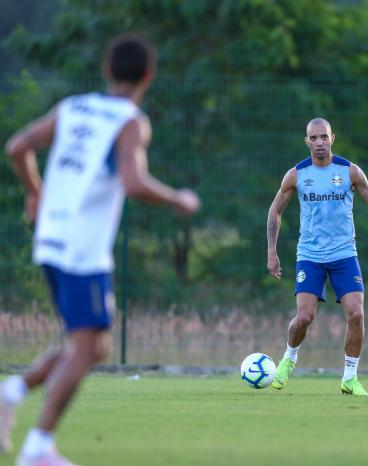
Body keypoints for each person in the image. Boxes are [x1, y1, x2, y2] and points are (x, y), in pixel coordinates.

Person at [0, 33, 201, 465]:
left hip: (49, 239)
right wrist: (177, 199)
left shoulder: (72, 107)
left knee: (88, 344)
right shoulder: (130, 120)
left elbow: (17, 147)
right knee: (90, 348)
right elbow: (133, 183)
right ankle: (37, 449)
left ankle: (11, 394)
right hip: (81, 248)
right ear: (148, 75)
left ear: (108, 70)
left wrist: (35, 192)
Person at [266, 117, 368, 396]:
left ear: (333, 138)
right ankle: (289, 358)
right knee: (304, 317)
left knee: (356, 313)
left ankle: (349, 378)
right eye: (313, 138)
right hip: (310, 255)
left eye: (324, 137)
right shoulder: (296, 175)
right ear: (306, 141)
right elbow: (275, 211)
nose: (319, 142)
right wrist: (271, 251)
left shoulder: (350, 172)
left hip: (345, 254)